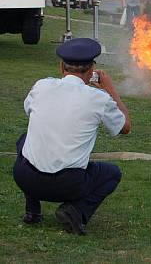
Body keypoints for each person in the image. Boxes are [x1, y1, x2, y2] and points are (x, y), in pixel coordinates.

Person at [12, 38, 132, 235]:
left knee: (24, 140)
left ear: (61, 66)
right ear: (92, 70)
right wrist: (110, 89)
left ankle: (32, 210)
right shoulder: (98, 98)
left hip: (26, 177)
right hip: (67, 185)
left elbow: (29, 111)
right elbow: (125, 127)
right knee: (112, 173)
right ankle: (76, 211)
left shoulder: (42, 85)